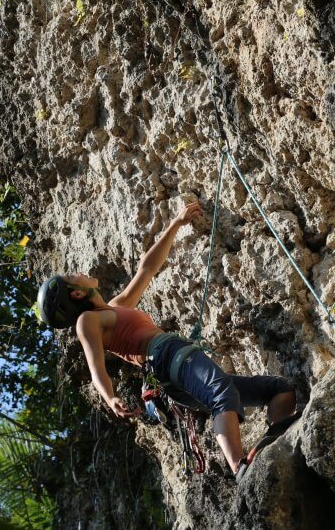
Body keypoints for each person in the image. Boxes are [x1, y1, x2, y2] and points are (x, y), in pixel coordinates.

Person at [37, 201, 301, 480]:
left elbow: (146, 270)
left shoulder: (115, 307)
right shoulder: (87, 321)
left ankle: (271, 445)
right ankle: (241, 469)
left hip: (171, 373)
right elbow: (96, 368)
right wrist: (111, 397)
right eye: (72, 277)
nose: (80, 273)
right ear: (76, 295)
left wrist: (176, 223)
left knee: (279, 389)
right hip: (167, 356)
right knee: (223, 394)